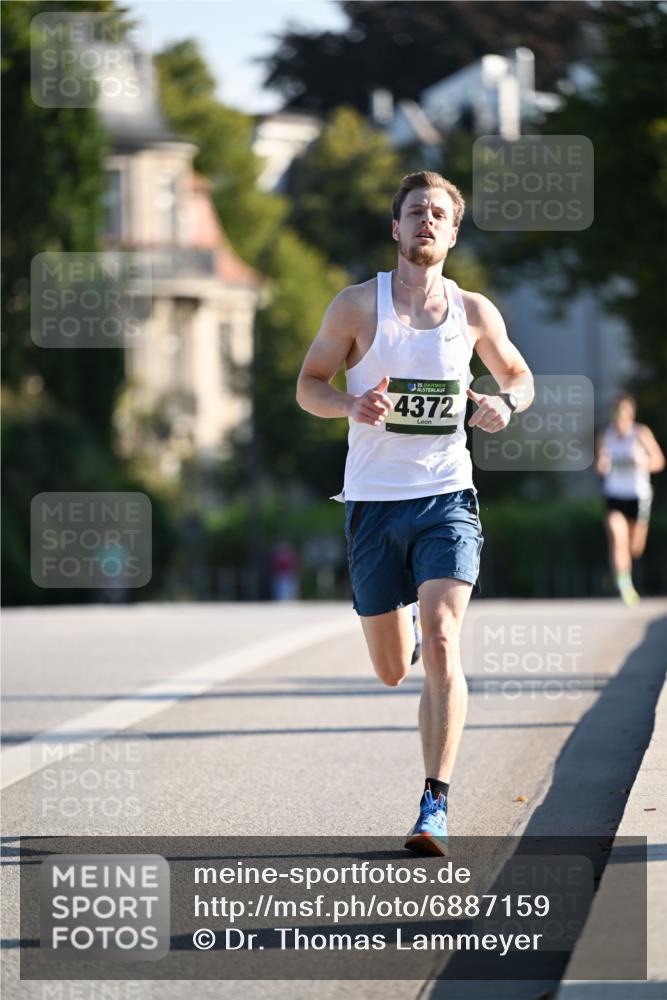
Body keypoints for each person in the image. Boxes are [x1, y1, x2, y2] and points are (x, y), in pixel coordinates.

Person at [296, 170, 534, 855]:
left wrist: (502, 403)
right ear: (394, 229)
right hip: (373, 504)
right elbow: (308, 385)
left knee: (439, 640)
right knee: (393, 669)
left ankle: (434, 806)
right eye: (414, 212)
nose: (425, 221)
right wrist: (347, 403)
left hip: (445, 499)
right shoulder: (354, 307)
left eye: (438, 213)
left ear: (453, 232)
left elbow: (516, 376)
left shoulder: (474, 312)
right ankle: (394, 629)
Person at [595, 394, 664, 606]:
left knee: (635, 548)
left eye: (623, 411)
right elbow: (600, 466)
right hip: (614, 496)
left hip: (638, 496)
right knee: (617, 537)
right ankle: (624, 585)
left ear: (631, 413)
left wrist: (642, 463)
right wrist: (603, 464)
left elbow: (659, 462)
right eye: (615, 412)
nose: (618, 416)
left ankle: (627, 575)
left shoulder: (641, 433)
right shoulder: (605, 436)